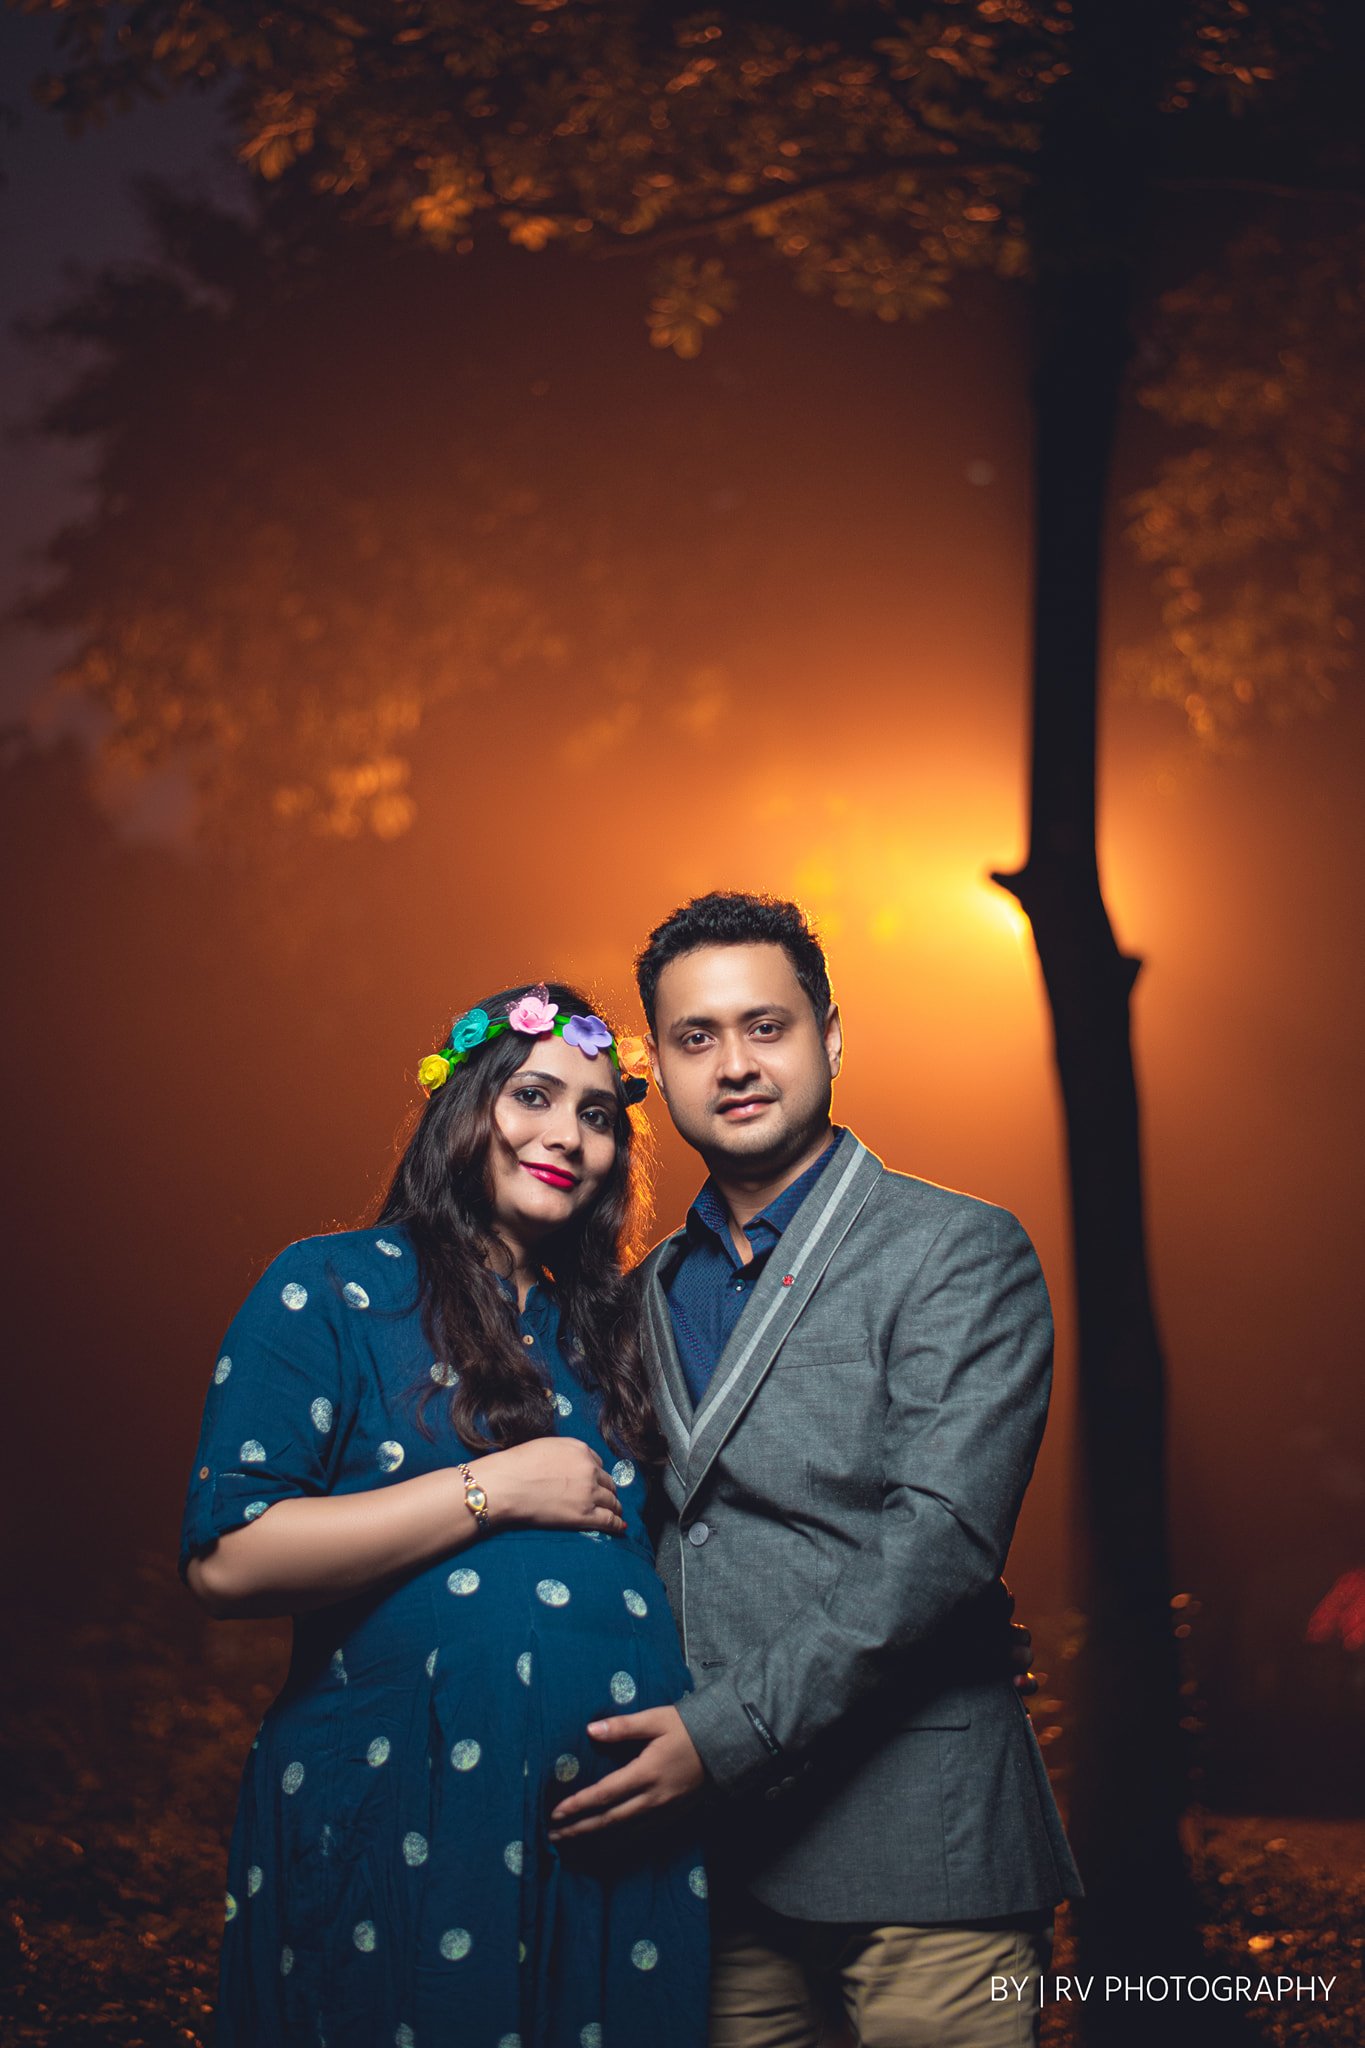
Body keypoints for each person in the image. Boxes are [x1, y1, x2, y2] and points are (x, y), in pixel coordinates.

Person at [547, 895, 1082, 2048]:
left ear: (832, 1037)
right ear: (658, 1069)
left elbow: (939, 1542)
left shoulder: (957, 1248)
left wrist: (720, 1732)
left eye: (766, 1025)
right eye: (696, 1037)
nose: (734, 1063)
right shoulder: (635, 1299)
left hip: (924, 1847)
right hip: (710, 1868)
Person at [180, 983, 710, 2048]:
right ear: (465, 1104)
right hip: (402, 1817)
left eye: (598, 1115)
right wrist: (490, 1490)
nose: (568, 1135)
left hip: (625, 1844)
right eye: (533, 1095)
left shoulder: (616, 1335)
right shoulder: (331, 1285)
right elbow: (228, 1559)